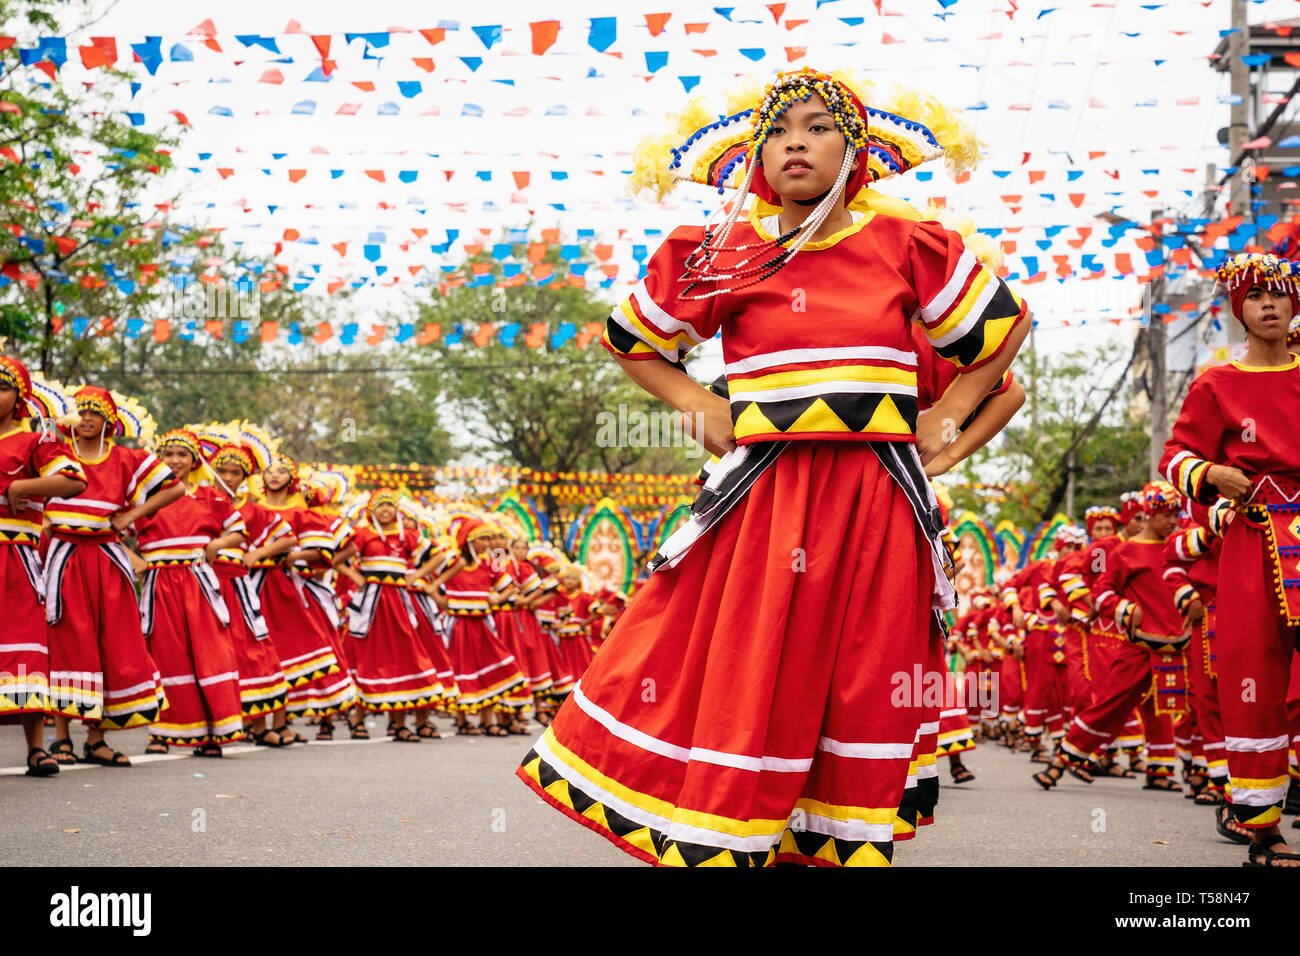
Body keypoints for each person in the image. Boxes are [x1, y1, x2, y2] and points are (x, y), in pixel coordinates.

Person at [517, 67, 1028, 867]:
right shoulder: (725, 253)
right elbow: (633, 342)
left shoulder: (905, 244)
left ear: (856, 154)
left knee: (861, 672)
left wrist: (948, 417)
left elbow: (1002, 333)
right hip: (768, 495)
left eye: (821, 126)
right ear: (757, 157)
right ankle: (724, 838)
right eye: (780, 130)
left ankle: (829, 848)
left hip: (877, 497)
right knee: (749, 666)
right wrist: (699, 404)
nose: (796, 140)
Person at [1159, 252, 1300, 868]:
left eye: (1279, 294)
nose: (1268, 304)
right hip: (1253, 541)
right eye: (1254, 296)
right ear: (1237, 309)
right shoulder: (1215, 384)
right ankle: (1262, 827)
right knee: (1254, 675)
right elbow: (1174, 458)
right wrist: (1212, 471)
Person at [45, 387, 183, 767]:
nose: (87, 419)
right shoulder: (54, 453)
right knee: (68, 642)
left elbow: (176, 486)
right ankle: (60, 738)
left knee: (111, 641)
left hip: (107, 558)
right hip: (64, 556)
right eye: (81, 412)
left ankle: (96, 738)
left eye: (95, 413)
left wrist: (129, 517)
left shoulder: (126, 459)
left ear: (110, 420)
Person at [1034, 481, 1190, 793]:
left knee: (1172, 710)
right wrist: (1124, 610)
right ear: (1148, 515)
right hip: (1137, 642)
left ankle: (1169, 772)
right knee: (1109, 703)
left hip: (1180, 643)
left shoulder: (1179, 547)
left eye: (1176, 514)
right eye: (1166, 515)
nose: (1173, 521)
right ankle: (1062, 761)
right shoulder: (1122, 552)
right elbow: (1102, 592)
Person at [130, 429, 246, 755]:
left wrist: (217, 544)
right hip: (159, 583)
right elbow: (112, 527)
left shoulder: (210, 496)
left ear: (195, 461)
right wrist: (135, 559)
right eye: (168, 454)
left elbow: (237, 532)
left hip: (198, 582)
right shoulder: (142, 494)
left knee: (209, 654)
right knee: (166, 654)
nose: (175, 461)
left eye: (183, 455)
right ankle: (163, 732)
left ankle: (213, 732)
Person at [0, 359, 86, 776]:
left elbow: (74, 480)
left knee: (22, 652)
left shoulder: (34, 442)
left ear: (20, 397)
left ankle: (36, 747)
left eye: (2, 387)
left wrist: (24, 486)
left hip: (14, 560)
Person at [337, 489, 447, 741]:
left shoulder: (407, 536)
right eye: (379, 506)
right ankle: (358, 719)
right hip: (371, 605)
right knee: (369, 658)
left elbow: (438, 555)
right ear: (371, 510)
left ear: (397, 510)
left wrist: (417, 575)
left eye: (389, 506)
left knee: (403, 658)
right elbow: (338, 560)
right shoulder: (364, 534)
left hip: (398, 603)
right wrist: (356, 577)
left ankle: (398, 723)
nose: (385, 510)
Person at [209, 434, 295, 746]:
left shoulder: (254, 510)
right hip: (204, 584)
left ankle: (258, 724)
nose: (228, 477)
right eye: (224, 471)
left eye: (236, 472)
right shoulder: (202, 500)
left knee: (252, 651)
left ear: (245, 477)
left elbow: (287, 538)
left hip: (238, 586)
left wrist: (256, 554)